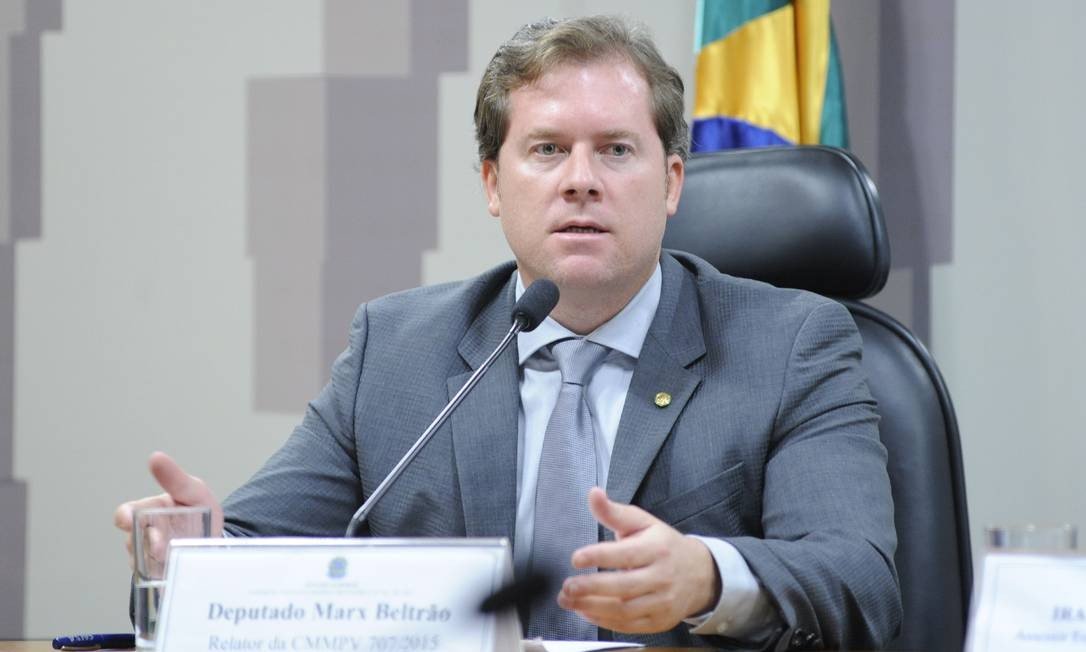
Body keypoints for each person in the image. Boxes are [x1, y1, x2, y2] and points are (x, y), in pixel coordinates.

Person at [115, 15, 901, 649]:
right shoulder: (398, 349)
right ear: (494, 183)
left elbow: (859, 580)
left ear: (670, 183)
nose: (581, 179)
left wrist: (708, 577)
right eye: (548, 150)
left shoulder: (790, 344)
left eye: (616, 150)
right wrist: (196, 555)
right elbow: (262, 545)